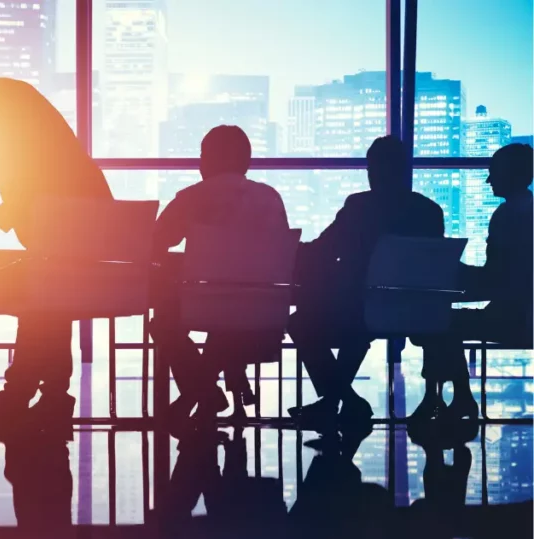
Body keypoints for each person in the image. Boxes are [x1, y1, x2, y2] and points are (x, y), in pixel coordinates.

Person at [0, 58, 113, 432]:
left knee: (38, 302)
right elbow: (30, 171)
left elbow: (5, 169)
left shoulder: (3, 109)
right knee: (51, 305)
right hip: (79, 218)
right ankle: (49, 398)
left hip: (65, 220)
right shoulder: (15, 99)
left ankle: (19, 398)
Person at [288, 136, 445, 429]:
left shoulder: (359, 206)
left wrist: (288, 252)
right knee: (355, 324)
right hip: (415, 313)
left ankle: (344, 401)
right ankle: (338, 401)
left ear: (373, 170)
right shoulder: (430, 211)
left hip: (361, 310)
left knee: (300, 323)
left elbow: (324, 249)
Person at [151, 125, 289, 421]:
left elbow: (155, 241)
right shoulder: (270, 198)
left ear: (208, 160)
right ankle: (209, 389)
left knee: (164, 324)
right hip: (264, 312)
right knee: (228, 319)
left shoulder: (191, 198)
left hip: (207, 307)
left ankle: (203, 392)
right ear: (246, 161)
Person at [416, 143, 533, 419]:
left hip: (514, 319)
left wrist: (451, 271)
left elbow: (497, 279)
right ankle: (448, 399)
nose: (489, 180)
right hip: (522, 315)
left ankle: (452, 397)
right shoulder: (523, 213)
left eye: (494, 172)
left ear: (511, 174)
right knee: (442, 322)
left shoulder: (507, 217)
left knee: (440, 322)